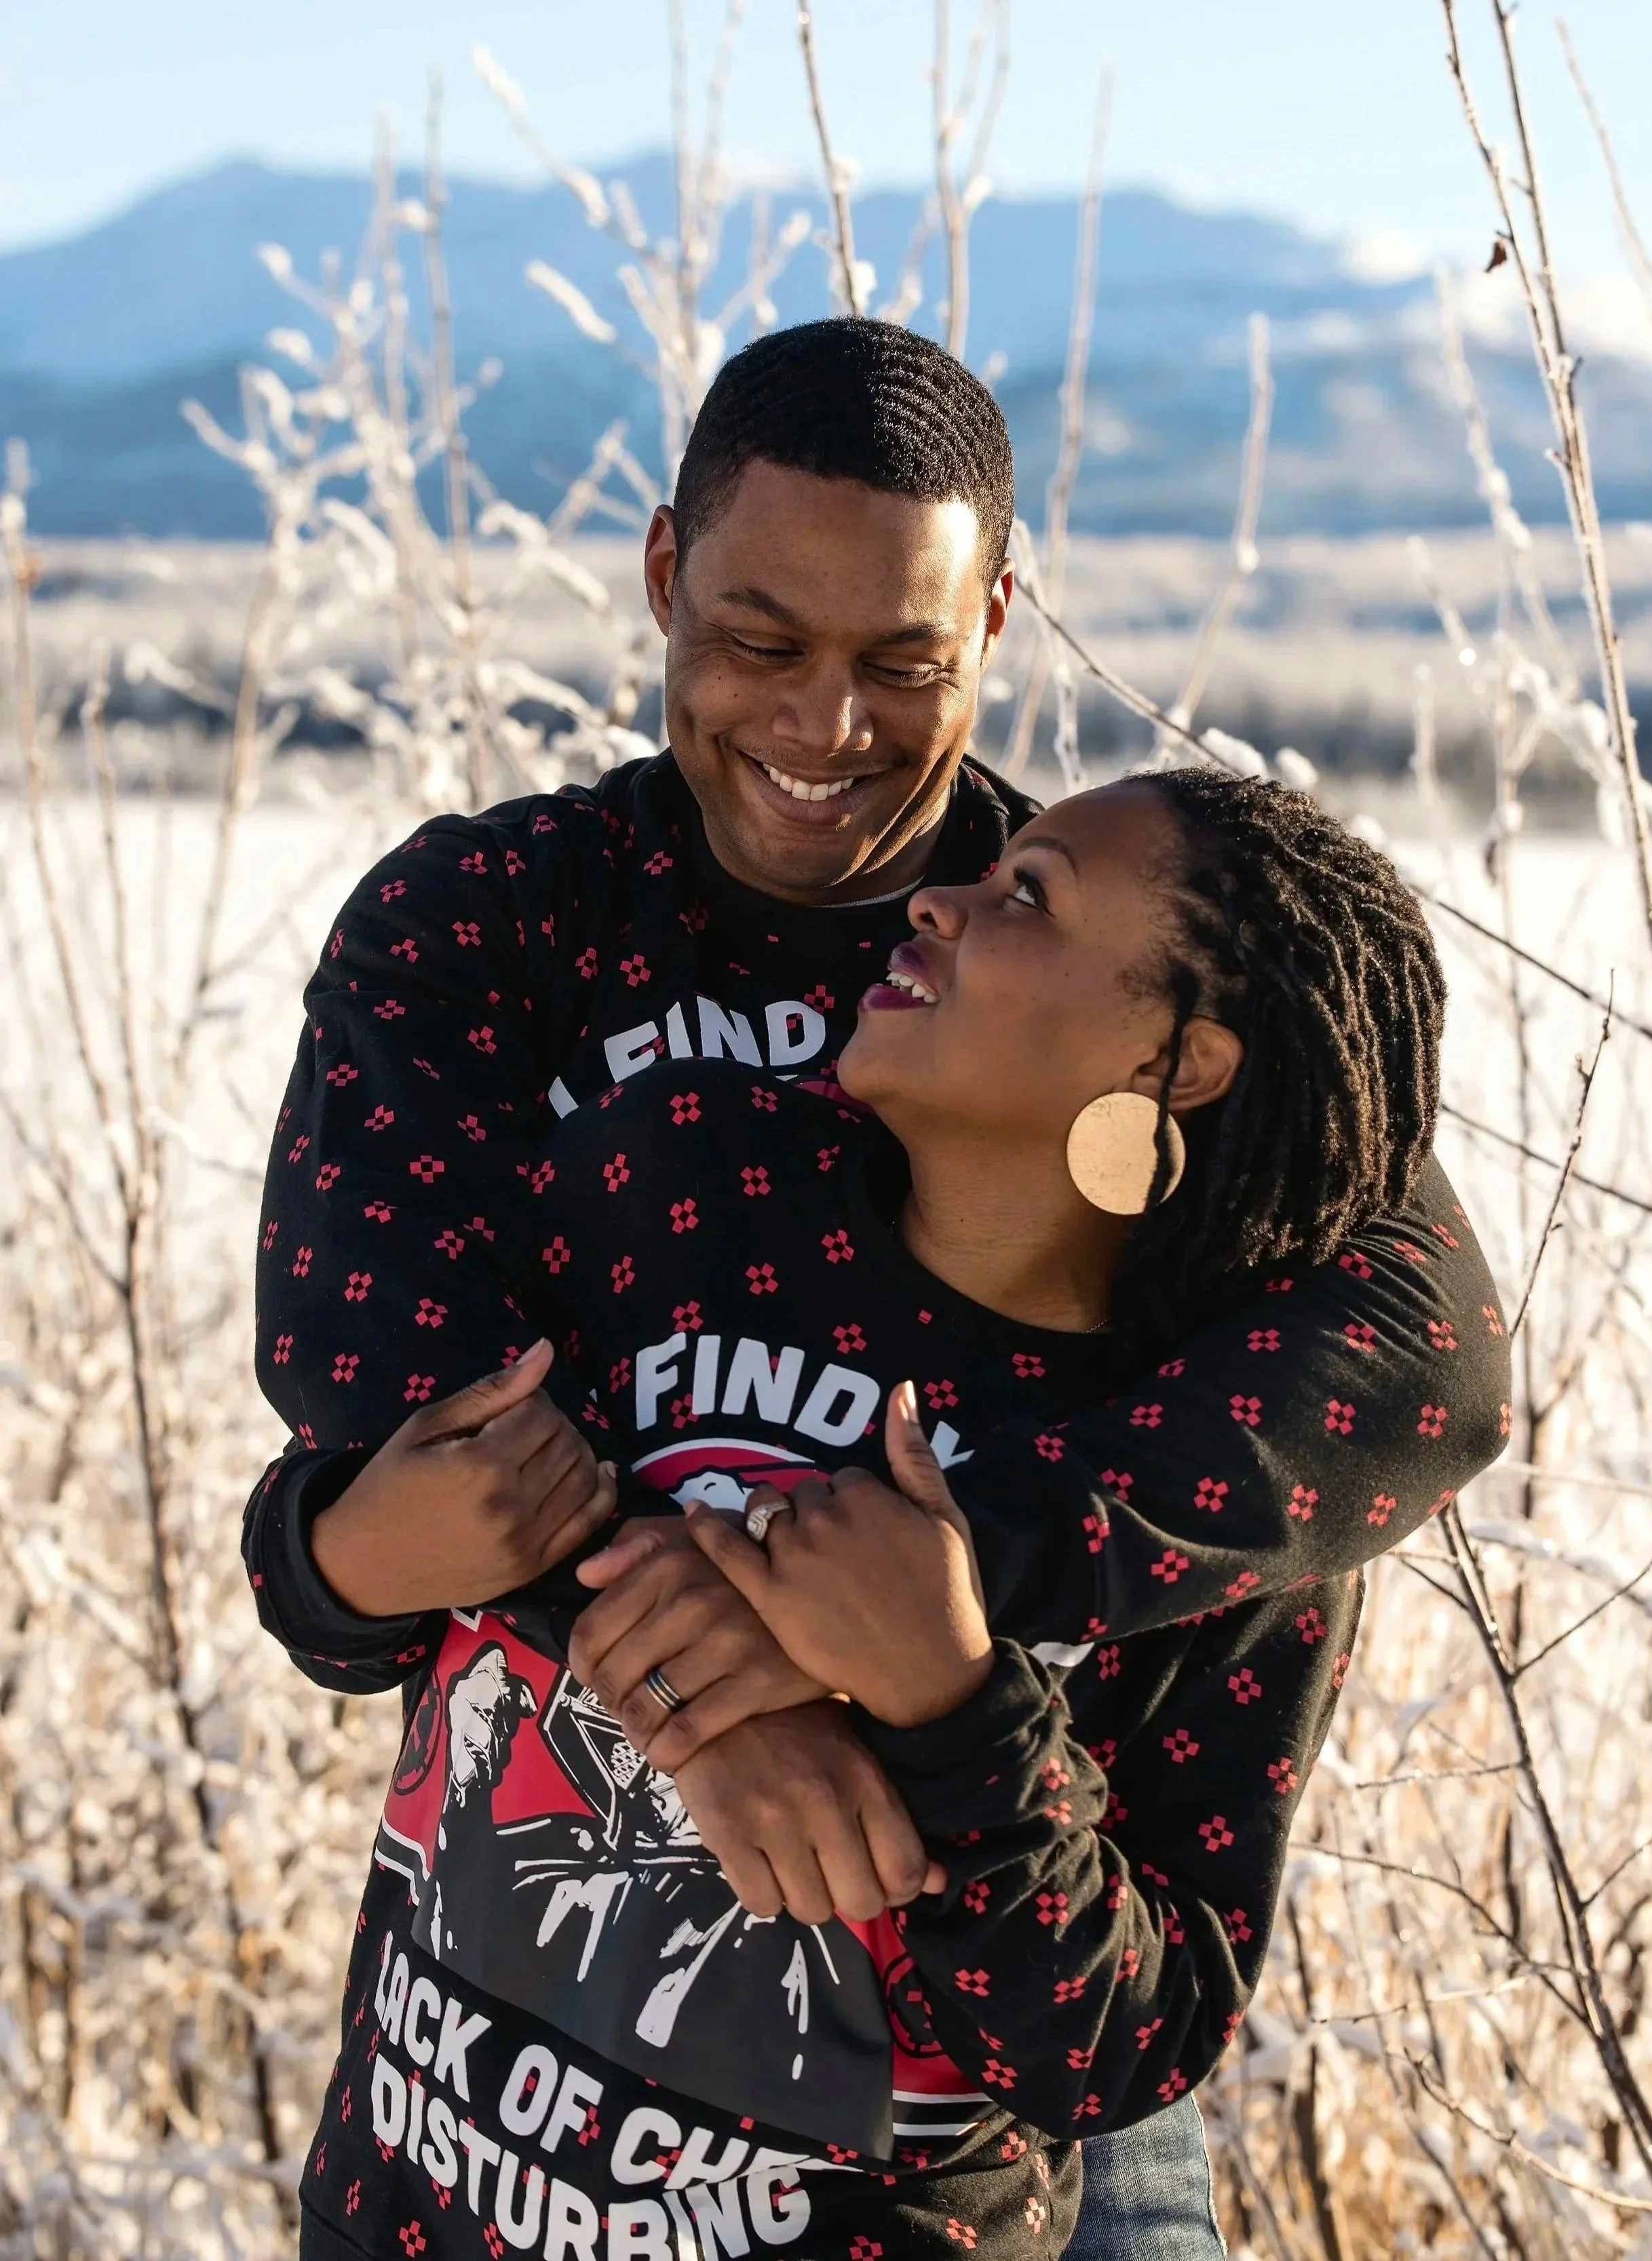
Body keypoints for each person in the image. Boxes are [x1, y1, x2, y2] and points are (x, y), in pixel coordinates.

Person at [243, 320, 1511, 2254]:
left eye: (903, 660)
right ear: (663, 569)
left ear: (995, 614)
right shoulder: (502, 927)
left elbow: (1417, 1362)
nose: (827, 724)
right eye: (761, 641)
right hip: (522, 2048)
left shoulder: (1112, 952)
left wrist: (921, 1596)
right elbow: (377, 1383)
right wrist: (702, 1684)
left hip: (984, 2066)